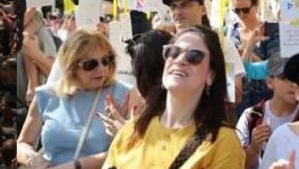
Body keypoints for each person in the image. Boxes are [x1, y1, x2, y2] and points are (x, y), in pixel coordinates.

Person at [102, 26, 246, 169]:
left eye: (194, 56)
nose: (180, 60)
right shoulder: (131, 130)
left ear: (211, 75)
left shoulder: (223, 142)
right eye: (173, 52)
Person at [16, 29, 138, 169]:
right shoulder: (46, 94)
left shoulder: (125, 94)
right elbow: (22, 143)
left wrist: (75, 166)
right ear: (71, 66)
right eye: (90, 65)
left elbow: (134, 148)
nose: (102, 69)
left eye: (106, 60)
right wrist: (32, 159)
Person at [161, 0, 246, 106]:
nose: (178, 12)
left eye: (185, 5)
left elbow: (235, 95)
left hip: (211, 121)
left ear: (203, 10)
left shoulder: (222, 45)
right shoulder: (166, 47)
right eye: (173, 7)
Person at [237, 56, 298, 169]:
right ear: (270, 82)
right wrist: (254, 148)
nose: (293, 84)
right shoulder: (251, 116)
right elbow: (237, 165)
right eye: (285, 78)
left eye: (297, 78)